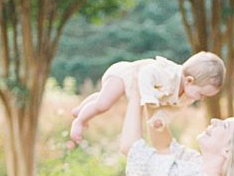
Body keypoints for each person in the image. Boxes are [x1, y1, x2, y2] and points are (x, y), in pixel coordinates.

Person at [70, 51, 225, 144]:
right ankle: (80, 121)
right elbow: (146, 72)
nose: (202, 99)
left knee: (103, 97)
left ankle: (80, 109)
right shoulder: (167, 74)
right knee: (103, 104)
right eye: (202, 94)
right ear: (190, 81)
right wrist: (149, 94)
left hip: (131, 90)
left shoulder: (186, 97)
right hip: (125, 75)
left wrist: (160, 119)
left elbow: (170, 111)